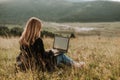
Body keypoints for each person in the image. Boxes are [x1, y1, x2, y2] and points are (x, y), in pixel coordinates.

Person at [16, 17, 85, 72]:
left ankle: (68, 65)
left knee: (58, 57)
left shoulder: (22, 41)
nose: (40, 30)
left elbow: (34, 54)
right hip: (42, 67)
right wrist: (51, 52)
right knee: (61, 55)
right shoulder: (38, 40)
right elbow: (43, 57)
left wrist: (47, 51)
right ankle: (77, 65)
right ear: (36, 29)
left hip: (30, 66)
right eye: (39, 28)